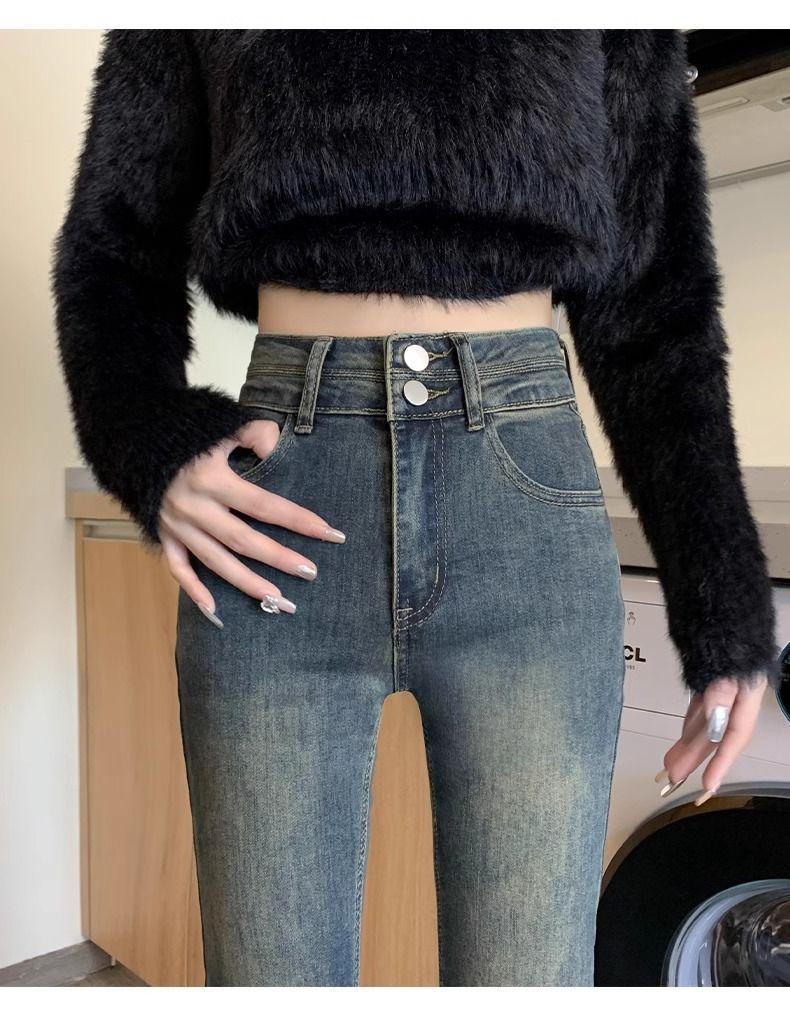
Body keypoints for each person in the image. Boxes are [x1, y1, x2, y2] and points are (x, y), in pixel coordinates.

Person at [50, 29, 779, 987]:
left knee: (527, 985)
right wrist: (146, 435)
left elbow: (656, 301)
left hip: (521, 499)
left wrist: (723, 604)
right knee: (270, 982)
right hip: (286, 495)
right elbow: (113, 243)